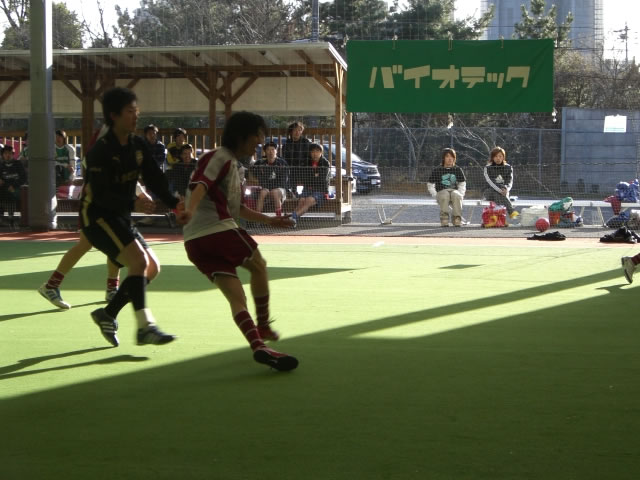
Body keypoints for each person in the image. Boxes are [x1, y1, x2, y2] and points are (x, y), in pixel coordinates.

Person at [179, 111, 299, 372]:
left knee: (237, 297)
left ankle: (259, 346)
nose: (261, 141)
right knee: (259, 265)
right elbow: (201, 184)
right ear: (242, 135)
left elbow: (238, 209)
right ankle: (263, 324)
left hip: (195, 243)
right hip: (216, 230)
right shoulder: (220, 156)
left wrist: (270, 220)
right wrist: (190, 209)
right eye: (258, 135)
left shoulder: (235, 166)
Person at [80, 86, 184, 347]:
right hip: (97, 218)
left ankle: (107, 314)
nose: (136, 115)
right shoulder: (101, 150)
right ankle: (145, 327)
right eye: (130, 111)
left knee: (152, 267)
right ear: (114, 115)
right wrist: (134, 202)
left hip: (119, 216)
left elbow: (155, 178)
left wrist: (175, 204)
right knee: (138, 262)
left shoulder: (137, 144)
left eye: (137, 110)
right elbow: (101, 195)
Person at [290, 142, 330, 225]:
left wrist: (313, 176)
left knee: (308, 200)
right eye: (313, 151)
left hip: (320, 191)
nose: (315, 154)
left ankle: (292, 217)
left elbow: (322, 179)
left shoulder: (325, 163)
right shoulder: (306, 162)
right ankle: (293, 220)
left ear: (321, 152)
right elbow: (304, 178)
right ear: (310, 153)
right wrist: (315, 175)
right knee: (301, 200)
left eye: (317, 151)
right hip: (307, 189)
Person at [427, 148, 467, 227]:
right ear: (443, 158)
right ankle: (444, 218)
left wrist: (461, 194)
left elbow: (462, 183)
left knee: (456, 195)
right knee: (445, 195)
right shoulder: (437, 170)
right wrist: (435, 195)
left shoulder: (457, 169)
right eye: (447, 156)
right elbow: (430, 184)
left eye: (452, 156)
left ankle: (457, 219)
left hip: (454, 191)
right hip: (441, 191)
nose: (450, 158)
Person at [251, 141, 289, 215]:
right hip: (266, 188)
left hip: (280, 189)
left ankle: (278, 217)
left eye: (273, 149)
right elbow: (253, 172)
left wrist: (272, 188)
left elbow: (284, 181)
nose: (271, 152)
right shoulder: (261, 163)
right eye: (268, 149)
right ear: (265, 152)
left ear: (276, 151)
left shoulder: (282, 163)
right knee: (262, 192)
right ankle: (258, 217)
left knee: (275, 192)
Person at [483, 146, 519, 220]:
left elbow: (510, 181)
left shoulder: (508, 167)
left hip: (504, 192)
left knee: (498, 195)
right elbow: (490, 182)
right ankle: (511, 212)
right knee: (497, 193)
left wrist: (506, 189)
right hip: (489, 191)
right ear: (492, 157)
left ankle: (499, 219)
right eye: (496, 156)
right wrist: (500, 190)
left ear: (503, 157)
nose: (498, 158)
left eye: (500, 156)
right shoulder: (487, 168)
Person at [281, 121, 311, 194]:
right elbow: (285, 159)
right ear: (291, 132)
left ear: (301, 131)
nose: (297, 132)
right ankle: (291, 192)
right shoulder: (287, 144)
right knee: (288, 173)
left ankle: (306, 193)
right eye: (295, 130)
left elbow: (308, 157)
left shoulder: (306, 142)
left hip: (304, 168)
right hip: (291, 168)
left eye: (299, 130)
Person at [0, 145, 27, 224]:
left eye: (10, 153)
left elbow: (23, 178)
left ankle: (12, 217)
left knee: (12, 194)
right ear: (2, 155)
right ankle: (2, 217)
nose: (8, 155)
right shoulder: (1, 165)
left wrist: (14, 186)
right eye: (5, 153)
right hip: (5, 187)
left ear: (12, 154)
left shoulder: (18, 164)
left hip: (17, 188)